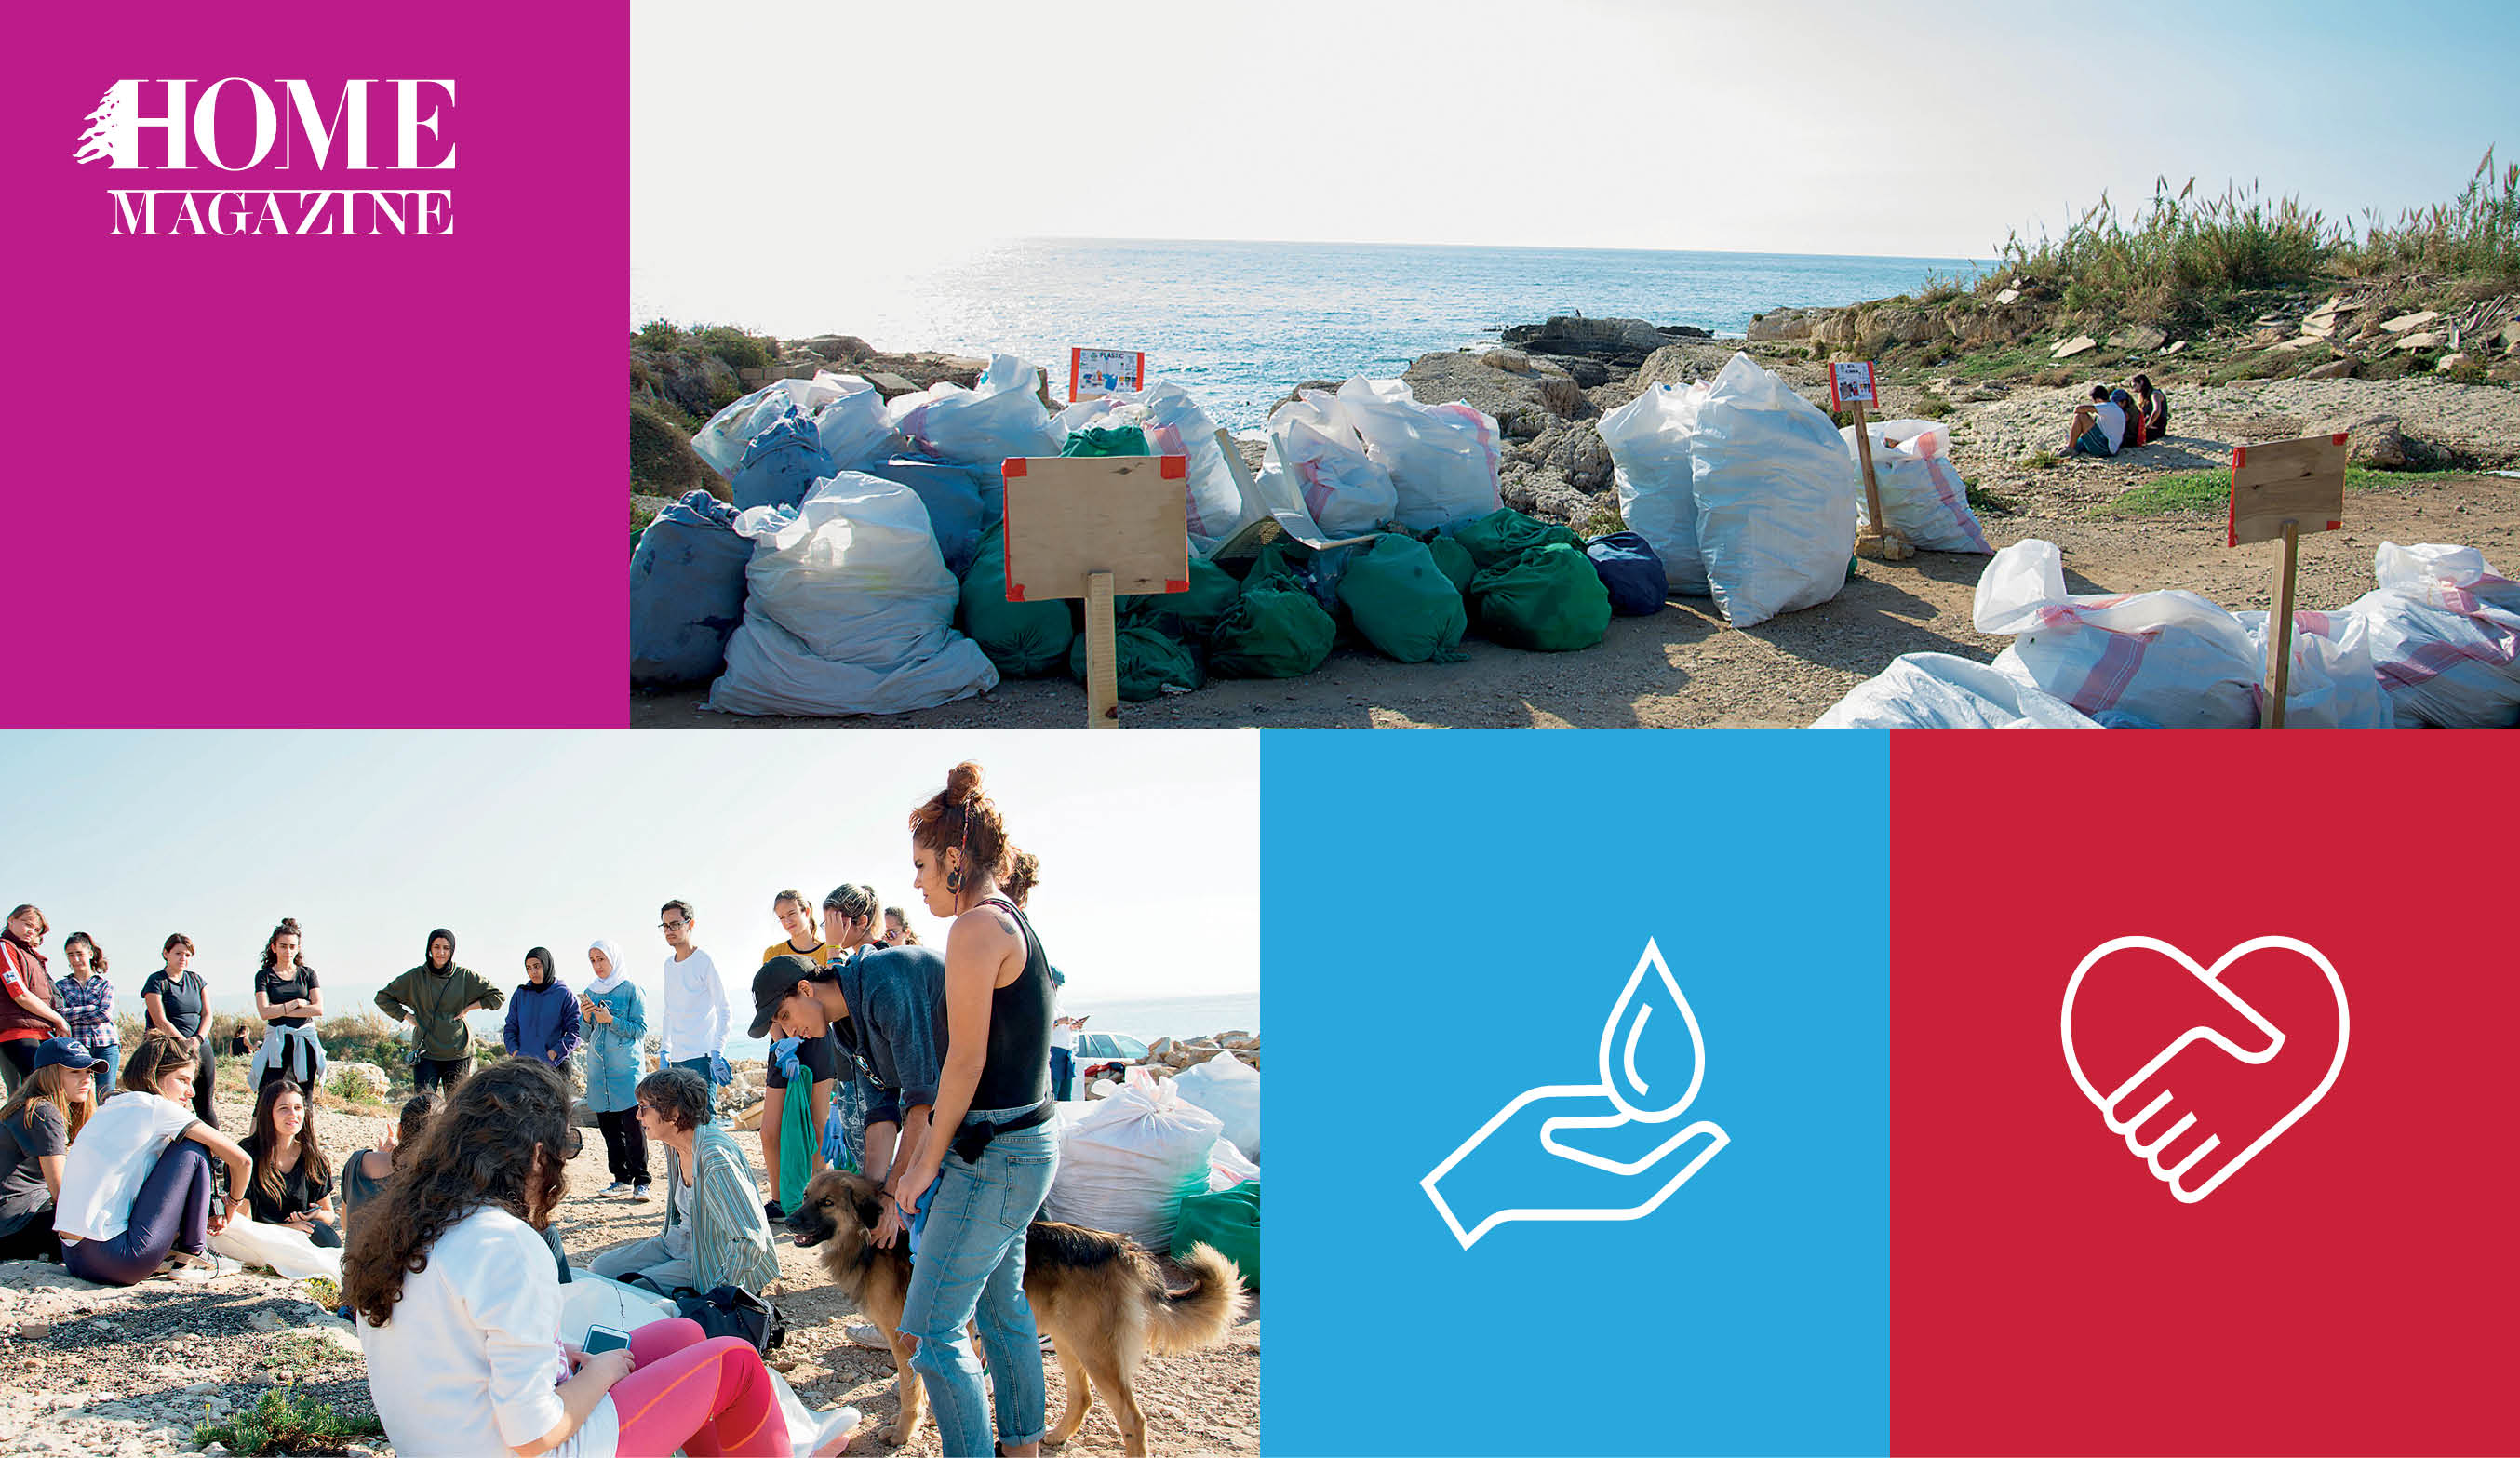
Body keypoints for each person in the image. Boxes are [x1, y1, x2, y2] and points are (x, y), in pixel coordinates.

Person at [345, 1058, 858, 1458]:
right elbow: (533, 1431)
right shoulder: (505, 1242)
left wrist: (559, 1352)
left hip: (446, 1437)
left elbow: (460, 1344)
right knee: (737, 1361)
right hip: (530, 1445)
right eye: (565, 1151)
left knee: (684, 1334)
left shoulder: (413, 1224)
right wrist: (600, 1374)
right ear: (535, 1155)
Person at [895, 762, 1060, 1458]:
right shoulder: (1013, 920)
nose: (916, 882)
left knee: (933, 1332)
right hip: (1029, 1144)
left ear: (955, 859)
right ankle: (1021, 1448)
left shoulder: (974, 928)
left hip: (992, 1154)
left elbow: (964, 1062)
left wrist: (921, 1166)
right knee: (1002, 1312)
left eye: (922, 865)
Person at [53, 1031, 253, 1286]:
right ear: (154, 1075)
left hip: (74, 1257)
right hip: (118, 1261)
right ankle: (193, 1256)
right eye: (182, 1080)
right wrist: (232, 1204)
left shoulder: (110, 1106)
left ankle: (177, 1252)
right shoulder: (158, 1107)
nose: (191, 1091)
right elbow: (242, 1161)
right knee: (194, 1146)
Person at [588, 1066, 780, 1301]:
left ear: (674, 1113)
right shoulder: (675, 1144)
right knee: (600, 1269)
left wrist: (719, 1294)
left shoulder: (715, 1158)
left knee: (636, 1290)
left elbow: (751, 1240)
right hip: (676, 1243)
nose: (638, 1116)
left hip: (711, 1257)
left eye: (644, 1107)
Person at [758, 891, 833, 1224]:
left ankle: (817, 1201)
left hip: (818, 1043)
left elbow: (827, 1005)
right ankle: (778, 1200)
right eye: (781, 917)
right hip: (783, 1043)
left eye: (791, 913)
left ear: (806, 911)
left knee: (817, 1129)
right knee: (769, 1130)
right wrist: (783, 1045)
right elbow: (770, 1009)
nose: (787, 921)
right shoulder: (773, 954)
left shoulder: (826, 950)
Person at [0, 1037, 101, 1261]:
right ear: (50, 1074)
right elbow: (61, 1193)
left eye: (89, 1072)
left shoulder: (28, 1104)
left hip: (15, 1216)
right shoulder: (43, 1111)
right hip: (14, 1224)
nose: (86, 1079)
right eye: (75, 1072)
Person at [375, 928, 505, 1097]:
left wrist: (468, 1008)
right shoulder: (415, 977)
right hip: (426, 1052)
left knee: (455, 1105)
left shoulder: (464, 976)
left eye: (446, 948)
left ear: (452, 951)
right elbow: (383, 997)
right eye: (436, 947)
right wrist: (407, 1016)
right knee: (423, 1105)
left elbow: (497, 997)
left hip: (458, 1051)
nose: (441, 952)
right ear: (429, 949)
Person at [580, 940, 651, 1201]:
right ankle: (620, 1179)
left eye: (601, 959)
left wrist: (611, 1020)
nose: (597, 965)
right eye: (593, 960)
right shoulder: (589, 992)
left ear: (613, 959)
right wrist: (586, 1017)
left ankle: (642, 1181)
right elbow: (584, 1035)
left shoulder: (632, 989)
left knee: (634, 1129)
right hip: (599, 1074)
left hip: (626, 1072)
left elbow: (640, 1030)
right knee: (609, 1130)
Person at [240, 1077, 342, 1248]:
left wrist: (315, 1215)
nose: (293, 1114)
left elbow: (329, 1215)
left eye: (298, 1108)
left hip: (300, 1237)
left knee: (326, 1236)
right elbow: (243, 1223)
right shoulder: (248, 1155)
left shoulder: (313, 1158)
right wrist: (288, 1229)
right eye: (284, 1108)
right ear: (268, 1113)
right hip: (259, 1241)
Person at [657, 900, 728, 1118]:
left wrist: (717, 1052)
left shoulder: (704, 960)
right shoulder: (668, 965)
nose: (669, 930)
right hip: (676, 1059)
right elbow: (669, 1012)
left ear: (691, 924)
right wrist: (664, 1051)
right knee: (681, 1123)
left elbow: (724, 1008)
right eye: (665, 926)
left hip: (702, 1058)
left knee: (704, 1121)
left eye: (675, 924)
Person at [141, 933, 220, 1129]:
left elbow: (207, 1014)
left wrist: (198, 1039)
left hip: (200, 1046)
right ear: (166, 953)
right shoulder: (156, 981)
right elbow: (160, 1020)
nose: (183, 958)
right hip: (170, 1049)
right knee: (167, 1104)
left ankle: (215, 1147)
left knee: (205, 1105)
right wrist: (182, 1042)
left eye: (187, 954)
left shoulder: (197, 980)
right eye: (178, 953)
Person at [341, 1091, 436, 1237]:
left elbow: (346, 1225)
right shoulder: (435, 1178)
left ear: (399, 1130)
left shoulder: (357, 1161)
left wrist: (383, 1157)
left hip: (355, 1252)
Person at [1, 905, 72, 1098]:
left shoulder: (30, 955)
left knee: (49, 1089)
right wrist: (58, 1019)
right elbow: (20, 994)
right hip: (18, 1031)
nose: (31, 931)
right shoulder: (5, 947)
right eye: (27, 924)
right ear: (11, 920)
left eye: (36, 929)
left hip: (41, 1030)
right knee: (39, 1089)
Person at [250, 917, 328, 1090]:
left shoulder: (308, 974)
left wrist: (278, 1010)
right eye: (283, 946)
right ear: (274, 947)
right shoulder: (264, 976)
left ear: (298, 948)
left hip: (304, 1040)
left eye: (292, 946)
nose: (288, 951)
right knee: (269, 1092)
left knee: (304, 1094)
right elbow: (264, 1013)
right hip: (276, 1041)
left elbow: (318, 1009)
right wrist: (296, 1003)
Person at [56, 934, 118, 1097]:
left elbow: (104, 1014)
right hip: (77, 1046)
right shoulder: (61, 986)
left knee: (105, 1095)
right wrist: (91, 1009)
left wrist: (72, 1013)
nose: (75, 959)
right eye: (70, 955)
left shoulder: (105, 984)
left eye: (79, 953)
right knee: (78, 1095)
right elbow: (59, 1013)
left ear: (90, 954)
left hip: (106, 1044)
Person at [503, 947, 583, 1076]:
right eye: (529, 968)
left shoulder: (564, 994)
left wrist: (555, 1052)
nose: (533, 972)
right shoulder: (521, 994)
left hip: (554, 1068)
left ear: (547, 965)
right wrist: (515, 1052)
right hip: (524, 1068)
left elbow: (577, 1030)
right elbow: (510, 1028)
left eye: (537, 966)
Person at [2066, 384, 2126, 458]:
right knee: (2075, 442)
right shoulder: (2112, 406)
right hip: (2106, 444)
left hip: (2106, 447)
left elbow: (2078, 409)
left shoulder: (2108, 407)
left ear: (2098, 400)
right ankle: (2071, 447)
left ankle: (2070, 448)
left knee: (2081, 416)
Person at [2131, 372, 2171, 440]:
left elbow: (2157, 410)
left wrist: (2149, 424)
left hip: (2156, 427)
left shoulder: (2155, 394)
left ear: (2141, 382)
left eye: (2135, 386)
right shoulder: (2143, 396)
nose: (2134, 389)